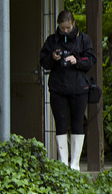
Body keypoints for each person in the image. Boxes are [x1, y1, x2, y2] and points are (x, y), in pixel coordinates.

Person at [39, 9, 95, 171]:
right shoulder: (52, 40)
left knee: (78, 124)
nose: (65, 31)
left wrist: (77, 60)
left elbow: (91, 60)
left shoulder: (84, 39)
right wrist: (53, 57)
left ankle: (75, 164)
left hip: (79, 88)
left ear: (73, 24)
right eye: (62, 28)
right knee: (61, 124)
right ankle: (63, 163)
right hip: (58, 89)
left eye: (68, 28)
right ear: (58, 25)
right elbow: (43, 62)